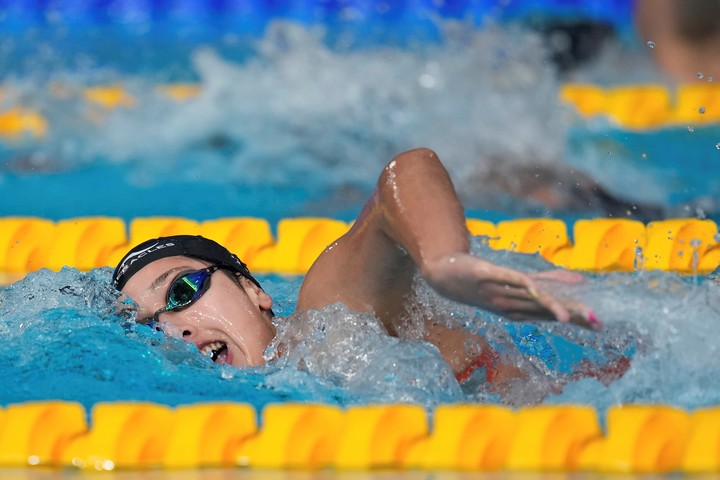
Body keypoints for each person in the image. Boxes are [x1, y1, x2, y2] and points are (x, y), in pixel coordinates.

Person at [113, 148, 602, 393]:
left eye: (179, 293)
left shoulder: (330, 319)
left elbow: (406, 172)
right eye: (149, 327)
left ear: (253, 291)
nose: (171, 327)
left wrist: (446, 262)